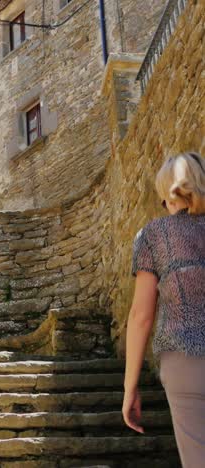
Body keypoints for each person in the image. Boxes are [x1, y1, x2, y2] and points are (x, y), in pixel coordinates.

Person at [123, 152, 205, 468]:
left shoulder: (154, 235)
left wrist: (131, 387)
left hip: (185, 364)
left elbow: (141, 316)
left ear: (169, 195)